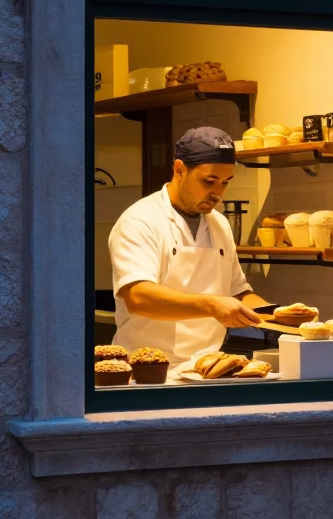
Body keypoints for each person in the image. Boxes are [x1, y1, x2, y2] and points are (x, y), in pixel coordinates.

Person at [109, 126, 270, 368]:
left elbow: (238, 294)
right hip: (145, 370)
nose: (218, 193)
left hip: (206, 367)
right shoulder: (140, 220)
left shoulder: (219, 224)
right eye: (209, 181)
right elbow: (139, 297)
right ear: (179, 170)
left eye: (225, 182)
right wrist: (212, 305)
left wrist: (282, 316)